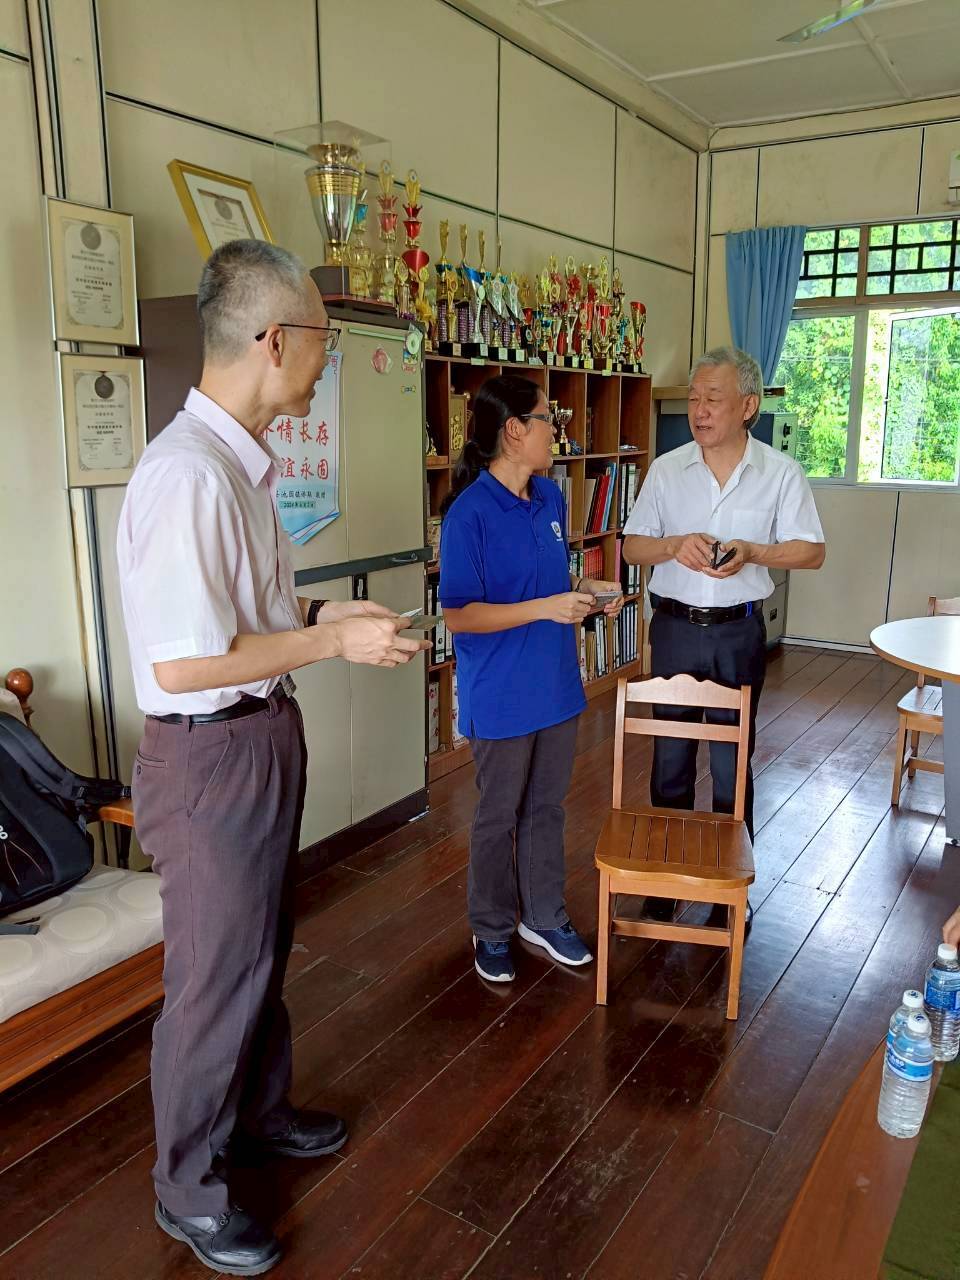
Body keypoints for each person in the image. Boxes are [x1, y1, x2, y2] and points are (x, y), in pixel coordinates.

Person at [116, 239, 428, 1276]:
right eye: (324, 342)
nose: (327, 362)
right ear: (275, 339)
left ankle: (255, 1112)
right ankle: (188, 1189)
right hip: (210, 757)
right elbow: (187, 660)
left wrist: (322, 612)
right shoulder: (186, 475)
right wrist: (331, 646)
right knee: (215, 977)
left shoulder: (239, 464)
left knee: (259, 949)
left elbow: (245, 609)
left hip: (254, 740)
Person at [622, 346, 825, 927]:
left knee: (733, 764)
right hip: (674, 628)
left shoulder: (780, 472)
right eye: (694, 398)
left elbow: (812, 551)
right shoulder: (667, 469)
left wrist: (754, 552)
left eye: (713, 398)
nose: (699, 410)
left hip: (737, 633)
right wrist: (672, 545)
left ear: (748, 406)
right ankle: (666, 880)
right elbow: (633, 547)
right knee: (670, 759)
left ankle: (730, 888)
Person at [438, 374, 624, 983]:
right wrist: (546, 607)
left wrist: (585, 591)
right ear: (515, 431)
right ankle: (490, 927)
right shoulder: (468, 514)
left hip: (556, 686)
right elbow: (460, 614)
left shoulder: (549, 497)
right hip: (500, 695)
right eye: (549, 419)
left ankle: (543, 915)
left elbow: (547, 584)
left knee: (546, 809)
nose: (556, 431)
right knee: (498, 814)